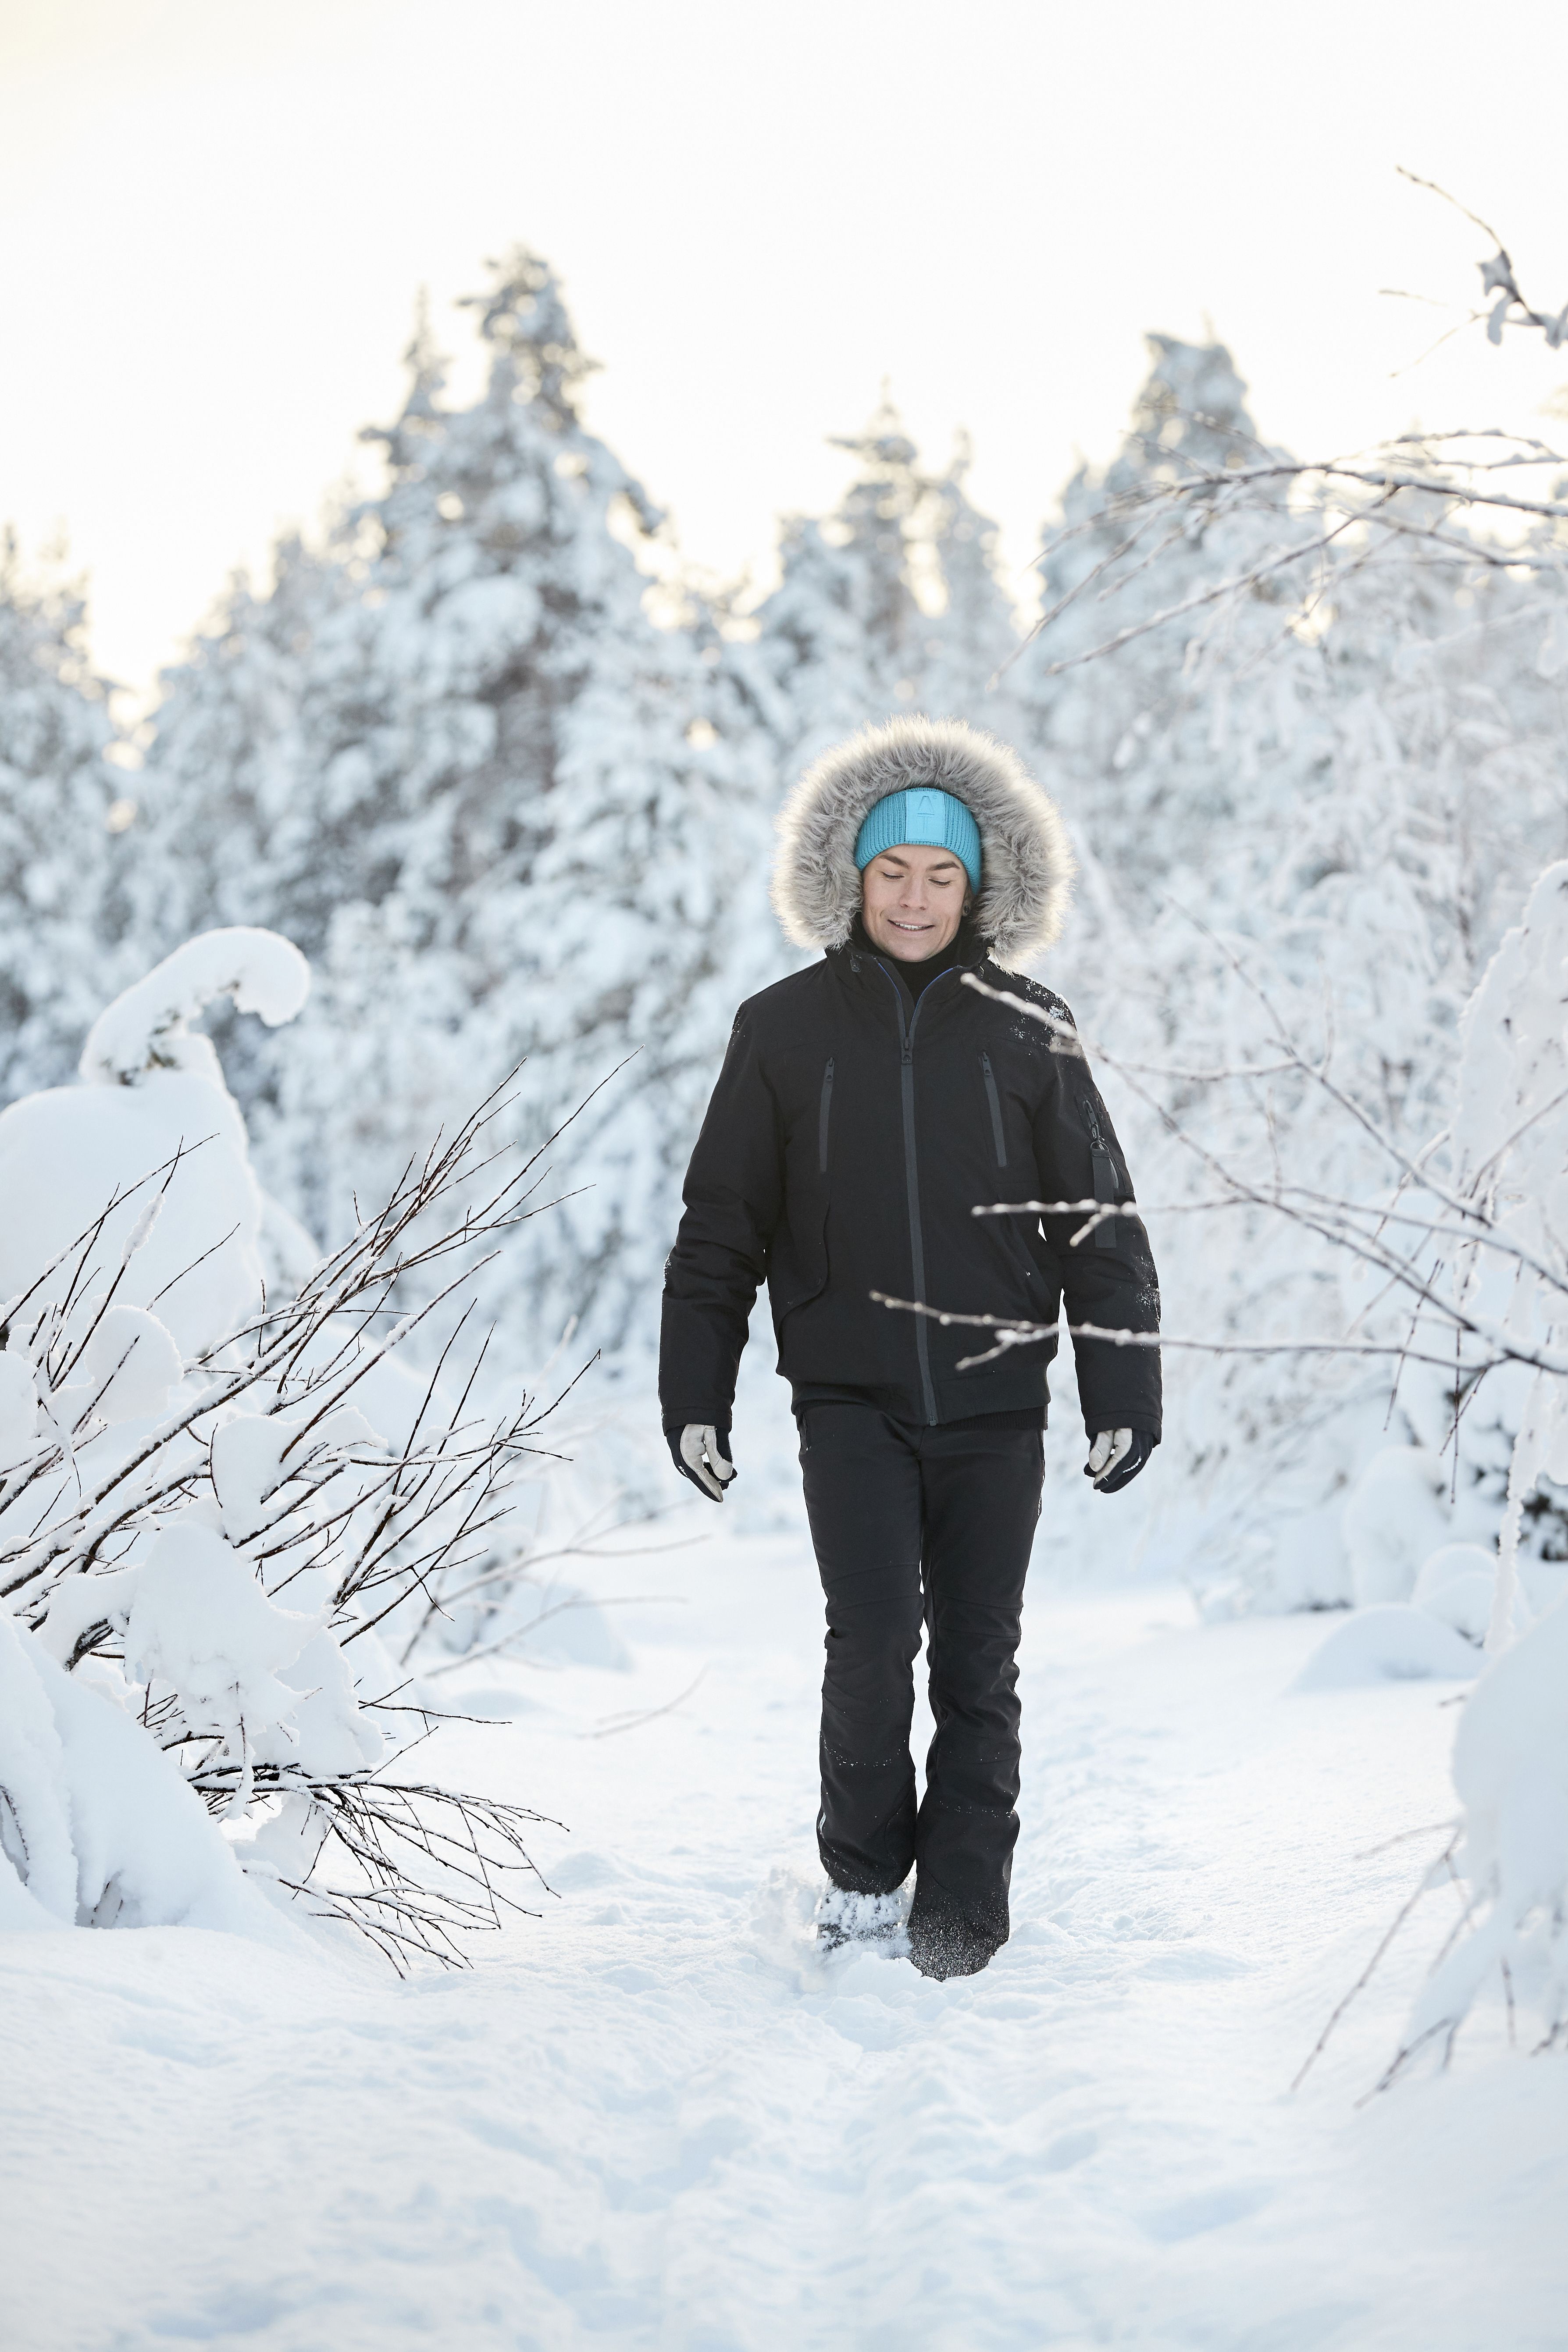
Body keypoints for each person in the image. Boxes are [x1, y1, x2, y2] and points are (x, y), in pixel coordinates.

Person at [658, 716, 1161, 1979]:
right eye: (894, 872)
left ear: (979, 888)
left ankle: (963, 1915)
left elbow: (1098, 1220)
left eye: (943, 875)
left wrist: (1122, 1383)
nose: (918, 898)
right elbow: (722, 1226)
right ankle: (868, 1879)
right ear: (853, 877)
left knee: (980, 1658)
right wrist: (695, 1393)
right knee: (873, 1642)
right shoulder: (781, 1029)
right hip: (850, 1398)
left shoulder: (1030, 1024)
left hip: (997, 1401)